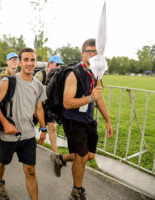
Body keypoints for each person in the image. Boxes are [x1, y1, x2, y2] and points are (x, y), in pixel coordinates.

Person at [52, 38, 113, 200]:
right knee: (81, 157)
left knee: (89, 156)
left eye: (96, 52)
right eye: (90, 51)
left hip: (88, 119)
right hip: (73, 120)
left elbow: (98, 98)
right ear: (82, 53)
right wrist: (89, 97)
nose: (93, 54)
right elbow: (67, 102)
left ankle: (61, 158)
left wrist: (108, 120)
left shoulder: (96, 72)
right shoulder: (74, 74)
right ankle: (76, 190)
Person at [0, 48, 47, 200]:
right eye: (26, 60)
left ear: (36, 62)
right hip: (9, 135)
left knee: (31, 171)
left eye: (32, 60)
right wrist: (5, 124)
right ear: (20, 62)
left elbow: (39, 108)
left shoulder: (38, 85)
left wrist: (43, 128)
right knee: (2, 163)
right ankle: (0, 181)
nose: (29, 63)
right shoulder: (8, 81)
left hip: (28, 135)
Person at [34, 55, 64, 155]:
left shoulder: (58, 75)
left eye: (61, 65)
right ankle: (20, 144)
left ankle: (55, 153)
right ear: (50, 64)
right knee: (28, 125)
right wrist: (34, 108)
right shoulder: (41, 74)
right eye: (57, 64)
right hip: (37, 105)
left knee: (52, 127)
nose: (59, 67)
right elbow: (32, 90)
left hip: (49, 106)